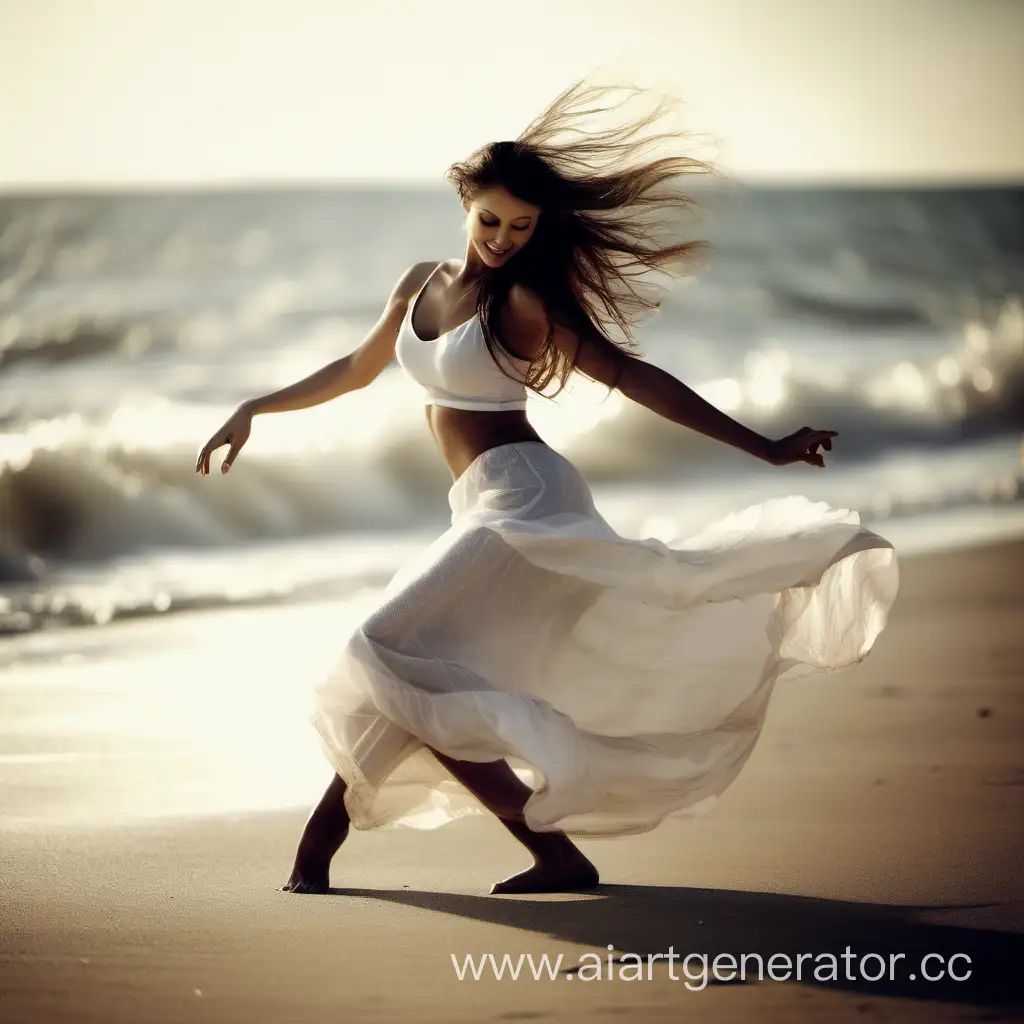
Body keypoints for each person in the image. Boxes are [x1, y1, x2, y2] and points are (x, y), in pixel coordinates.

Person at [195, 80, 898, 896]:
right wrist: (256, 407)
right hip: (481, 505)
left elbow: (632, 376)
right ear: (466, 202)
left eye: (521, 227)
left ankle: (330, 849)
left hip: (526, 501)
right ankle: (514, 855)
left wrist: (765, 447)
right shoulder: (419, 282)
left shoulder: (525, 298)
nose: (501, 239)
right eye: (490, 220)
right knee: (417, 675)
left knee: (383, 650)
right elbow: (357, 370)